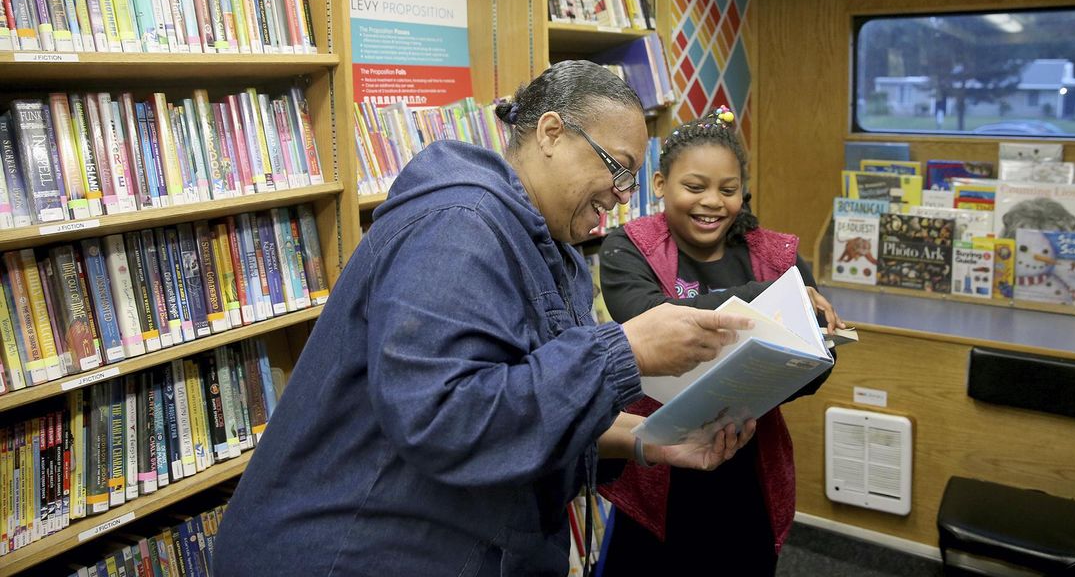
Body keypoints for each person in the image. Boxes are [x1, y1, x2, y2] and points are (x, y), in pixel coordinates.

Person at [211, 62, 759, 577]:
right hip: (351, 554)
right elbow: (444, 418)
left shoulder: (553, 247)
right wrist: (623, 351)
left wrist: (647, 439)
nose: (620, 195)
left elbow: (520, 414)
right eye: (616, 167)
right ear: (550, 133)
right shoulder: (459, 227)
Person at [598, 106, 844, 576]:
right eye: (695, 187)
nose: (713, 202)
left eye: (728, 190)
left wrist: (807, 354)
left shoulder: (776, 257)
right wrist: (768, 299)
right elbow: (655, 321)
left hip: (747, 467)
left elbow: (818, 364)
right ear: (660, 185)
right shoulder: (627, 248)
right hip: (657, 469)